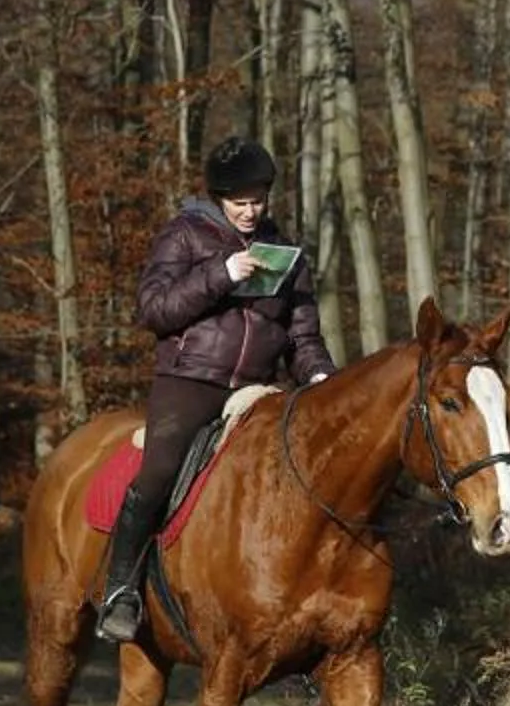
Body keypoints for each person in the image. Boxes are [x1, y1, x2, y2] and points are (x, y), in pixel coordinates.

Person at [96, 135, 336, 642]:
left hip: (257, 389)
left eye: (257, 201)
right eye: (239, 203)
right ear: (220, 199)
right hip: (190, 380)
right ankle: (121, 590)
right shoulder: (184, 235)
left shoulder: (284, 253)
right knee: (159, 470)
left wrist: (319, 377)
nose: (250, 212)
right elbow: (152, 309)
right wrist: (219, 274)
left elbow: (303, 333)